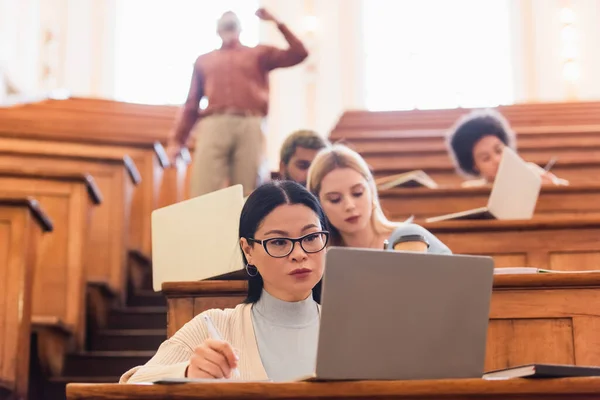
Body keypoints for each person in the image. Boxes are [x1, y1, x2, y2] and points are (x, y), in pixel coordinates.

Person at [120, 181, 329, 383]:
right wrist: (187, 373)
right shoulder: (214, 326)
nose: (299, 254)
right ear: (248, 251)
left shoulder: (348, 331)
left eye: (311, 237)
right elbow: (133, 383)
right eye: (279, 242)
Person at [166, 9, 309, 197]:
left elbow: (300, 53)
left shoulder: (259, 54)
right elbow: (191, 104)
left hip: (250, 123)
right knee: (204, 188)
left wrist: (277, 22)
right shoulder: (204, 61)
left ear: (240, 29)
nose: (228, 26)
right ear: (218, 30)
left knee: (249, 189)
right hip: (213, 124)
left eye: (232, 23)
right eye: (224, 24)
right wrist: (177, 141)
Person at [306, 144, 451, 253]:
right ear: (318, 205)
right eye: (335, 199)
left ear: (371, 191)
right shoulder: (320, 257)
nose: (349, 205)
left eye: (357, 193)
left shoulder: (410, 236)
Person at [446, 109, 569, 188]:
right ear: (474, 166)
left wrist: (553, 185)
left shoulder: (532, 173)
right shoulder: (471, 191)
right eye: (486, 158)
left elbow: (565, 189)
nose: (497, 160)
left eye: (499, 150)